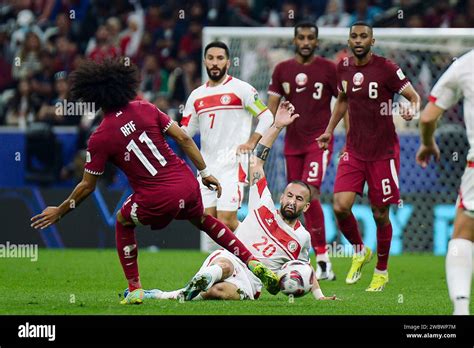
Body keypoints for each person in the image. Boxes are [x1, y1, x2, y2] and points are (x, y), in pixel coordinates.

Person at [30, 58, 279, 304]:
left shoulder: (100, 137)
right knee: (204, 220)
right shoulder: (145, 108)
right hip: (186, 183)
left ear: (93, 98)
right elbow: (183, 138)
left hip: (156, 197)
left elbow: (87, 186)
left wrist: (60, 211)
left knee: (122, 221)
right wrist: (204, 173)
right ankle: (252, 261)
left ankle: (135, 288)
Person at [136, 101, 337, 301]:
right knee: (224, 266)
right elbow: (257, 161)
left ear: (306, 206)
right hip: (234, 257)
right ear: (282, 196)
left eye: (299, 199)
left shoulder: (302, 237)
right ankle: (196, 281)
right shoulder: (263, 204)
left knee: (217, 292)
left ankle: (171, 294)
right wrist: (277, 126)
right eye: (290, 196)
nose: (292, 201)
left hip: (251, 283)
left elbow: (305, 268)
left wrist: (320, 296)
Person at [317, 22, 420, 291]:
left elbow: (413, 96)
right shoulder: (343, 67)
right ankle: (360, 250)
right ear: (349, 40)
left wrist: (411, 109)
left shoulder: (387, 68)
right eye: (354, 36)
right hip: (354, 150)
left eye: (364, 36)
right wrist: (329, 131)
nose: (359, 40)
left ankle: (382, 271)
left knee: (380, 214)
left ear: (372, 41)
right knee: (340, 206)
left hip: (383, 154)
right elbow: (342, 99)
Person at [181, 41, 274, 243]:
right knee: (207, 221)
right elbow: (185, 133)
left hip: (232, 165)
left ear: (228, 62)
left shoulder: (242, 89)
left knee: (227, 220)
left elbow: (267, 117)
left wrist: (251, 142)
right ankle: (249, 250)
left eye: (220, 58)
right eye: (211, 58)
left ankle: (255, 255)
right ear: (204, 61)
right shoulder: (196, 96)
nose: (215, 63)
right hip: (206, 168)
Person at [267, 22, 338, 281]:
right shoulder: (282, 70)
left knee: (310, 194)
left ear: (316, 42)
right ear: (294, 40)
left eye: (310, 38)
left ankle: (323, 259)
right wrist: (263, 135)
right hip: (291, 144)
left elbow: (343, 104)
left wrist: (347, 139)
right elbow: (270, 108)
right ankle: (291, 253)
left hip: (317, 143)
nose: (306, 41)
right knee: (292, 200)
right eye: (301, 37)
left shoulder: (329, 69)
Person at [416, 50, 474, 315]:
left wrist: (428, 144)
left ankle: (461, 310)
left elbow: (427, 117)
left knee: (463, 233)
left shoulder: (465, 64)